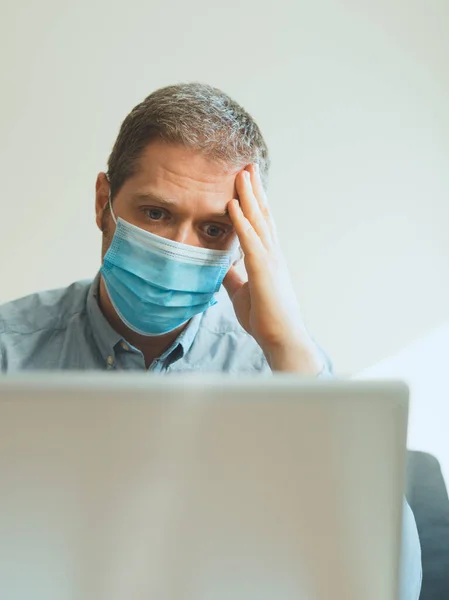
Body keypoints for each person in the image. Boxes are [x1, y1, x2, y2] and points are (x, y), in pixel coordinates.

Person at [0, 83, 421, 597]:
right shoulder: (10, 352)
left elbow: (391, 586)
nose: (180, 248)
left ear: (245, 242)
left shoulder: (285, 376)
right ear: (103, 204)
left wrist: (288, 348)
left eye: (215, 230)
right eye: (156, 213)